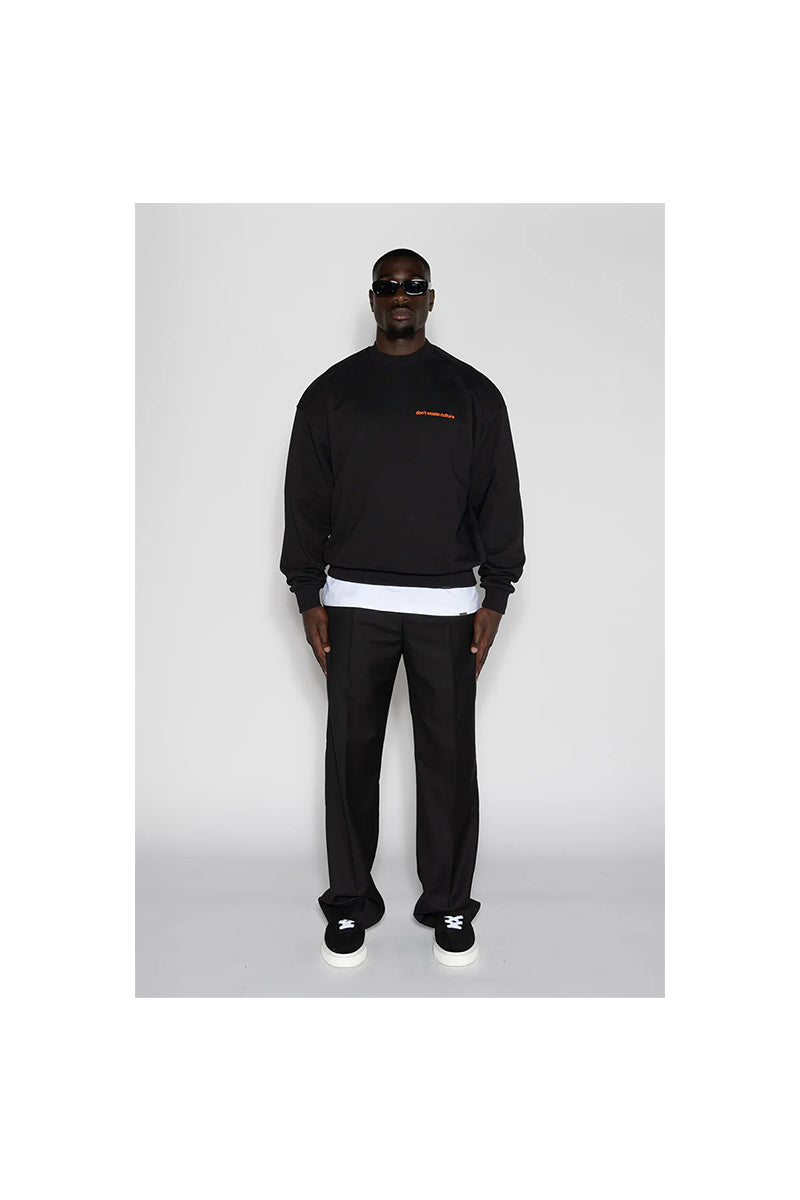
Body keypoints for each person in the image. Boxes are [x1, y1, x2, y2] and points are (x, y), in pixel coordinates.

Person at [279, 248, 525, 969]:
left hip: (448, 608)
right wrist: (307, 594)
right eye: (388, 285)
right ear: (372, 297)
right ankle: (349, 901)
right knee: (350, 759)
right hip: (353, 605)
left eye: (413, 285)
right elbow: (305, 501)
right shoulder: (331, 394)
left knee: (448, 762)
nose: (400, 295)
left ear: (430, 298)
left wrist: (496, 594)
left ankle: (448, 901)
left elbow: (500, 498)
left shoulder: (472, 394)